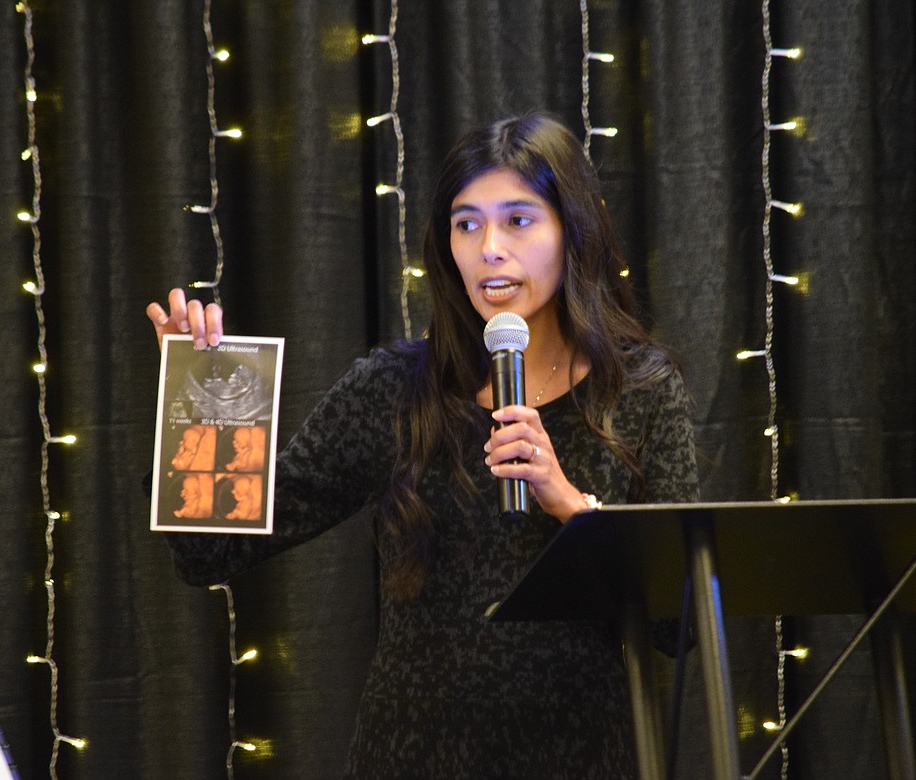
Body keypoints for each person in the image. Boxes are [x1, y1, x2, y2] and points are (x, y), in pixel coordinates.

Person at [146, 113, 698, 778]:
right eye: (467, 224)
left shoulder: (637, 390)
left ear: (573, 232)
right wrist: (200, 400)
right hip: (412, 756)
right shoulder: (393, 389)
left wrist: (571, 507)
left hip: (581, 756)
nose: (490, 248)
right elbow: (211, 550)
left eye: (518, 220)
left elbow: (682, 623)